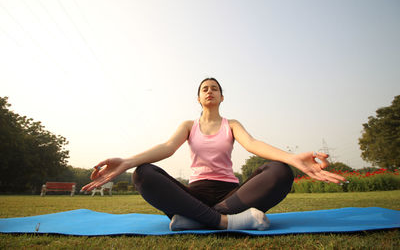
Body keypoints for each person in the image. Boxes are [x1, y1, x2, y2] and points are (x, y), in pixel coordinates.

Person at [81, 78, 346, 231]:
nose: (209, 91)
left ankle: (197, 219)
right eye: (204, 89)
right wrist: (127, 162)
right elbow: (166, 148)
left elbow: (253, 144)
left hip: (232, 196)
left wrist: (292, 158)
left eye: (214, 88)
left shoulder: (231, 124)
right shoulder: (188, 126)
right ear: (198, 98)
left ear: (221, 97)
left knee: (279, 171)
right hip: (192, 193)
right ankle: (221, 222)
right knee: (143, 173)